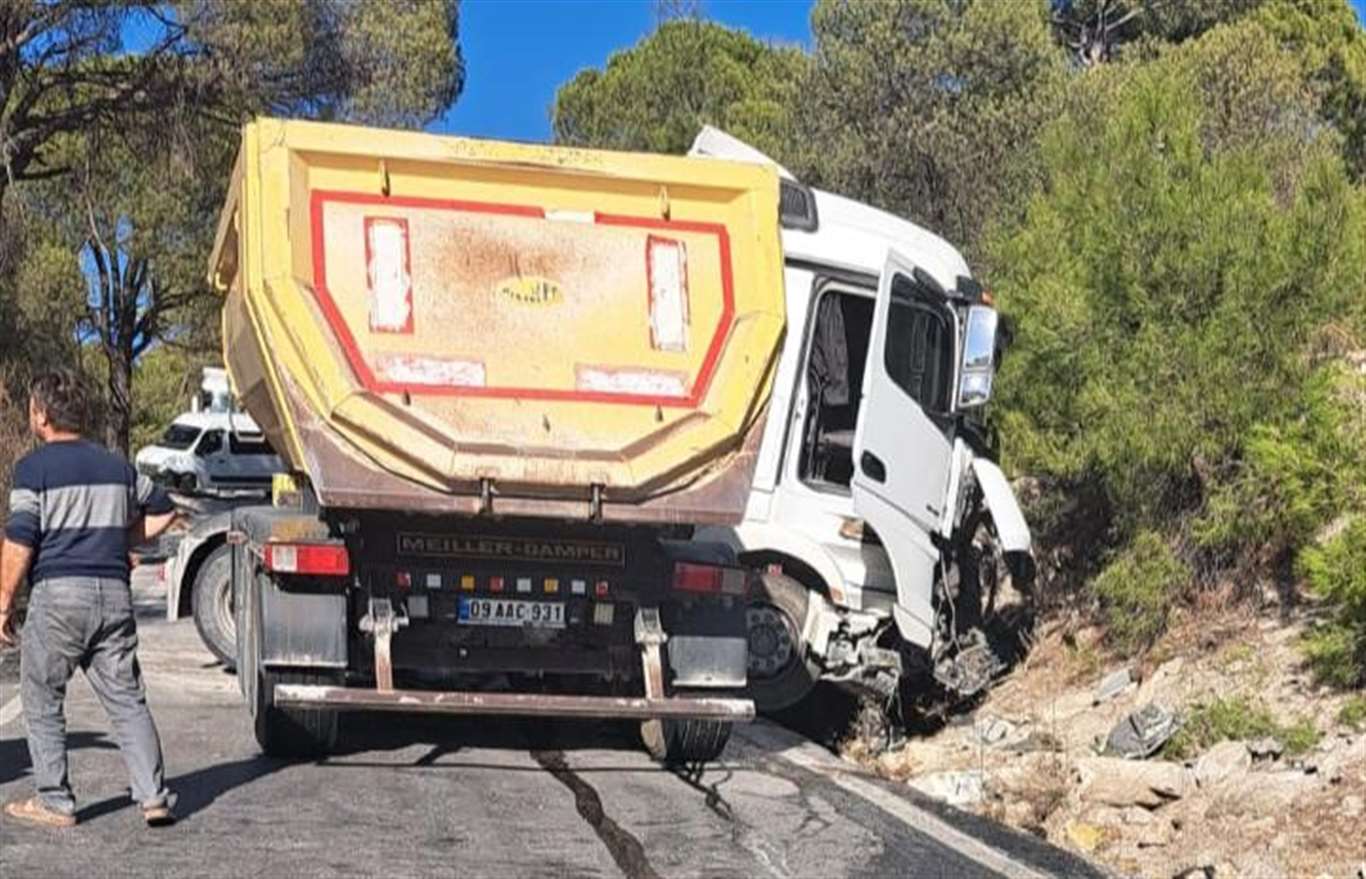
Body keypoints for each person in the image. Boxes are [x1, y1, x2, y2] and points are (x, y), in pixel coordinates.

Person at [0, 369, 178, 828]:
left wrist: (3, 602)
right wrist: (122, 541)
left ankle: (55, 801)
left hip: (58, 596)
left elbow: (20, 538)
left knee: (41, 696)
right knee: (126, 699)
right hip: (114, 595)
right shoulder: (116, 466)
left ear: (41, 416)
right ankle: (154, 797)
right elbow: (164, 508)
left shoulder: (33, 469)